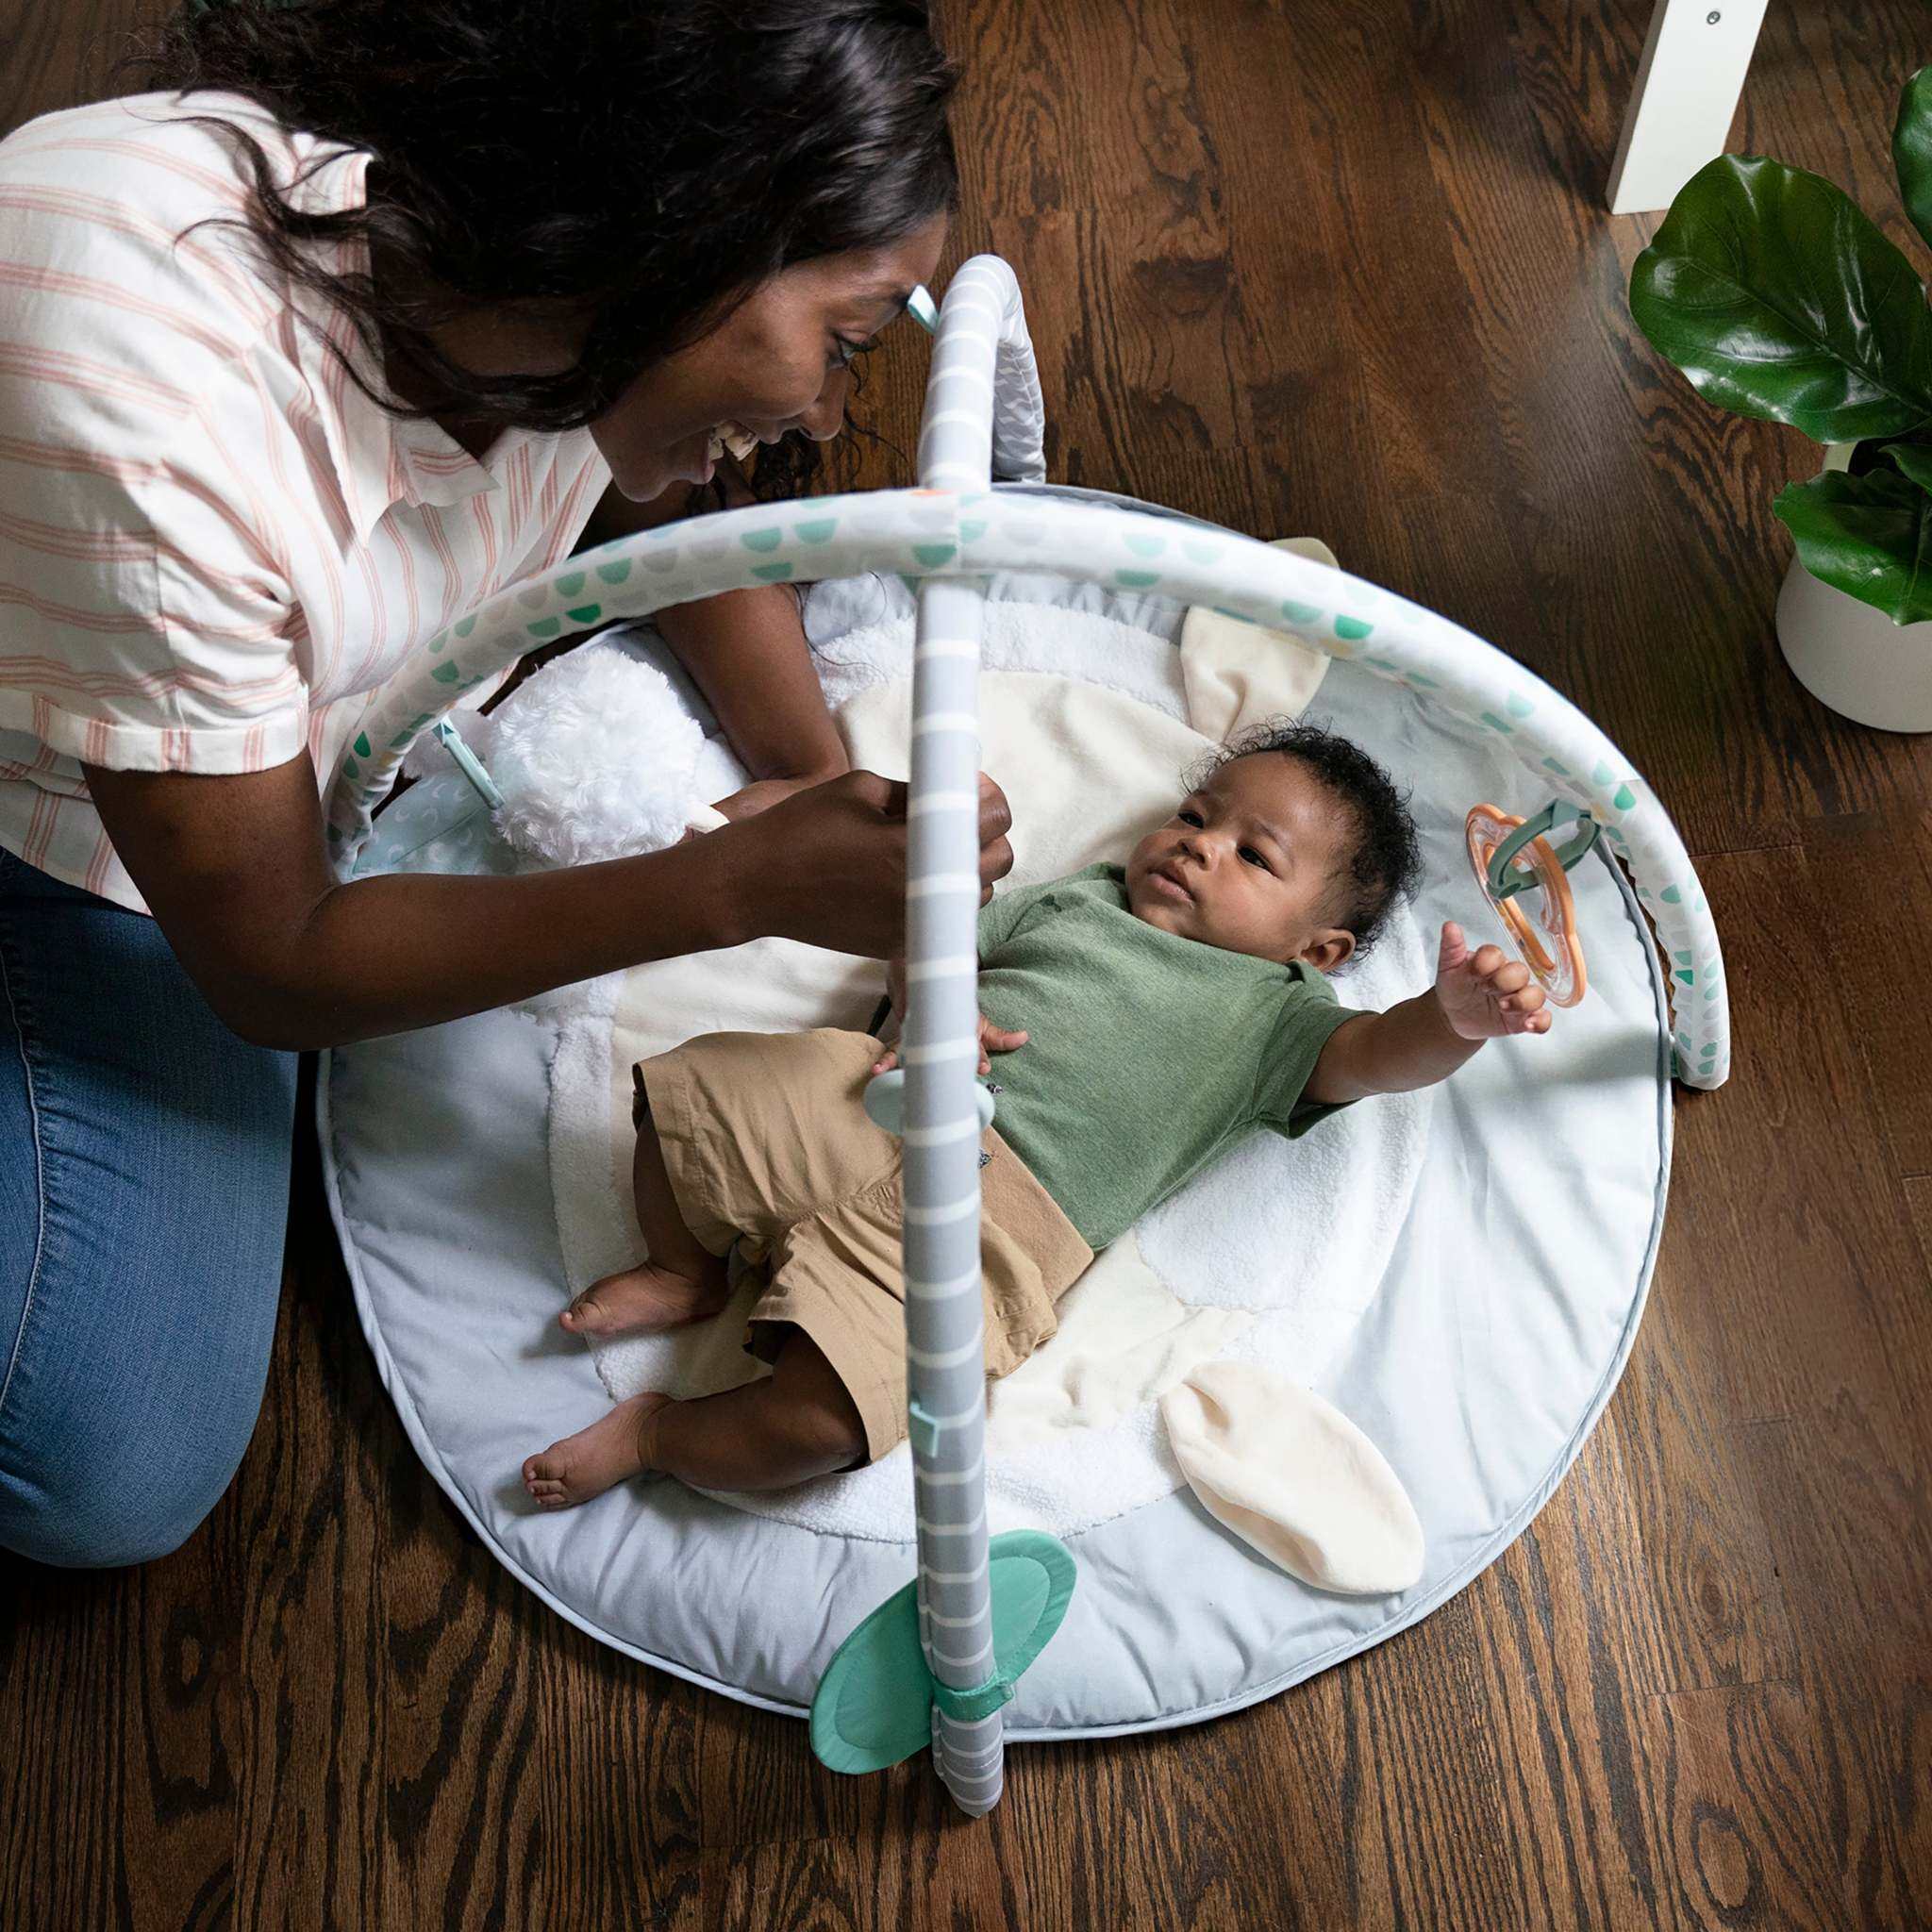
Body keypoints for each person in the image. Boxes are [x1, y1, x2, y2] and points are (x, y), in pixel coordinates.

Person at [0, 0, 1013, 1569]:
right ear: (682, 228)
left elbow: (662, 501)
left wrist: (813, 776)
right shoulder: (153, 418)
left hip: (246, 780)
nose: (823, 414)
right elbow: (274, 956)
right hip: (70, 839)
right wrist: (734, 886)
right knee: (107, 1465)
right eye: (845, 338)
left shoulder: (544, 307)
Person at [520, 720, 1555, 1507]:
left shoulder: (1278, 1018)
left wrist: (1451, 1017)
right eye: (1196, 815)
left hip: (995, 1232)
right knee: (690, 1094)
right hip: (876, 1094)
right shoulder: (1077, 901)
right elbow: (925, 928)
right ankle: (687, 1266)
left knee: (820, 1426)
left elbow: (1379, 1057)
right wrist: (937, 991)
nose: (1197, 846)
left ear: (1315, 948)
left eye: (1253, 854)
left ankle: (658, 1434)